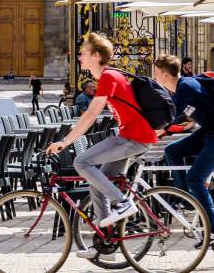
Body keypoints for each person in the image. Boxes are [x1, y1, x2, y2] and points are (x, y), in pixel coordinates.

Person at [48, 33, 157, 263]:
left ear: (96, 55)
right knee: (98, 181)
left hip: (133, 137)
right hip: (131, 136)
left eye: (83, 53)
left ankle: (124, 202)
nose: (79, 57)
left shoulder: (109, 77)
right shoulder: (110, 77)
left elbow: (90, 115)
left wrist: (65, 142)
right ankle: (105, 247)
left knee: (82, 162)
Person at [153, 55, 214, 244]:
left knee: (195, 178)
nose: (154, 77)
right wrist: (165, 131)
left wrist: (157, 130)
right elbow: (187, 118)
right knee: (172, 151)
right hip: (211, 134)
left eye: (155, 73)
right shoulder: (184, 87)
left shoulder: (185, 87)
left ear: (164, 74)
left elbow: (176, 117)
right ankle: (184, 197)